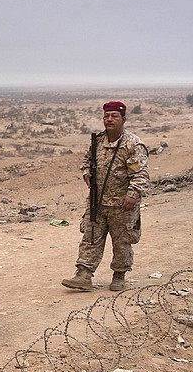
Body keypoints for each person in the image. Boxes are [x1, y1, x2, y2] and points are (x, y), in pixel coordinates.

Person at [62, 101, 150, 292]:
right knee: (90, 237)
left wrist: (132, 195)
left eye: (114, 116)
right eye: (106, 116)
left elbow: (140, 174)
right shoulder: (98, 141)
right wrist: (87, 172)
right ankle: (83, 274)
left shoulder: (133, 144)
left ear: (123, 119)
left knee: (122, 242)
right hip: (97, 202)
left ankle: (119, 275)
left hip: (122, 205)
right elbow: (87, 160)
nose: (109, 120)